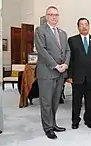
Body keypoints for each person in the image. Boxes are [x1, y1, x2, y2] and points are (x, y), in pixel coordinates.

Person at [34, 6, 70, 139]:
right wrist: (55, 65)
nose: (54, 17)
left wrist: (65, 64)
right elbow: (42, 50)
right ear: (47, 16)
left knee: (55, 101)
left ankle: (53, 123)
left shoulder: (62, 33)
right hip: (47, 72)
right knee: (46, 102)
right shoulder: (40, 30)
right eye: (51, 14)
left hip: (61, 73)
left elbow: (67, 50)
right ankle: (47, 128)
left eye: (56, 15)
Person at [68, 18, 91, 129]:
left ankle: (88, 120)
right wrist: (69, 75)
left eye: (86, 24)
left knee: (89, 101)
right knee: (76, 101)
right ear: (78, 27)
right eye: (81, 25)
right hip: (77, 77)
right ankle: (75, 121)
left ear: (89, 26)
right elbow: (70, 59)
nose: (84, 26)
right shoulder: (72, 40)